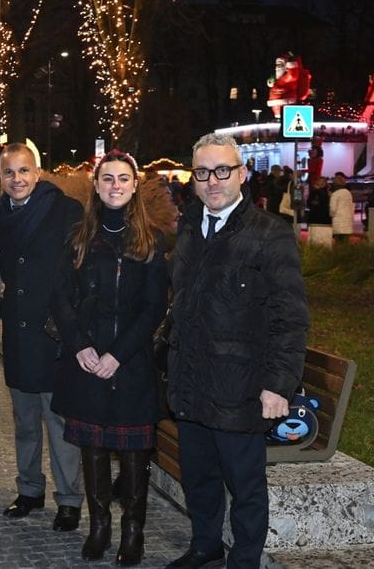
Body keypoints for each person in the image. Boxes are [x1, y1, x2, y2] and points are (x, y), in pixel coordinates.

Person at [166, 133, 308, 569]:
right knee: (200, 478)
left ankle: (244, 560)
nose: (213, 181)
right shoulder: (190, 226)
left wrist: (278, 385)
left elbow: (291, 316)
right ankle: (205, 544)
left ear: (242, 174)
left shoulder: (270, 234)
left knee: (245, 486)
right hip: (192, 382)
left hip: (241, 389)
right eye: (204, 172)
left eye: (222, 170)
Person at [50, 150, 168, 566]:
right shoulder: (79, 236)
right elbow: (61, 296)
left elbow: (154, 307)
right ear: (96, 186)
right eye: (107, 179)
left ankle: (132, 531)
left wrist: (117, 354)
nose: (115, 186)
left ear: (134, 185)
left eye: (123, 179)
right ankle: (99, 526)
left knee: (135, 455)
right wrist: (81, 344)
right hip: (86, 358)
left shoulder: (152, 240)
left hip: (130, 362)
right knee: (94, 448)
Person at [0, 144, 84, 527]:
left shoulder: (66, 210)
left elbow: (80, 270)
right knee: (24, 421)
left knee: (59, 422)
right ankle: (29, 490)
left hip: (54, 331)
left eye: (24, 171)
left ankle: (70, 499)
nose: (17, 179)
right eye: (9, 173)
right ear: (0, 177)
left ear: (38, 172)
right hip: (20, 331)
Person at [329, 172, 354, 244]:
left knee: (338, 243)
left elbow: (333, 209)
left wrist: (331, 215)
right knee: (346, 243)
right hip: (347, 220)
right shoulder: (348, 193)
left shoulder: (335, 194)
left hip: (338, 221)